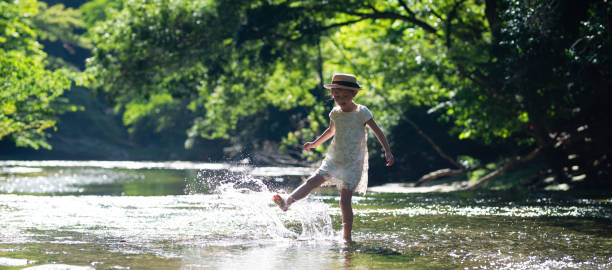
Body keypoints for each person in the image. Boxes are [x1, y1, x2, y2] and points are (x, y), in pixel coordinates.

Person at [273, 73, 394, 243]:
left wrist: (387, 151)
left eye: (345, 96)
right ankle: (287, 201)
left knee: (344, 201)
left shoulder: (362, 112)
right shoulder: (335, 113)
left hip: (353, 162)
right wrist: (315, 143)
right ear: (333, 95)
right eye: (337, 96)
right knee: (311, 181)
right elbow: (330, 132)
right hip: (335, 158)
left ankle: (347, 236)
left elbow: (378, 131)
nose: (340, 99)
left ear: (354, 94)